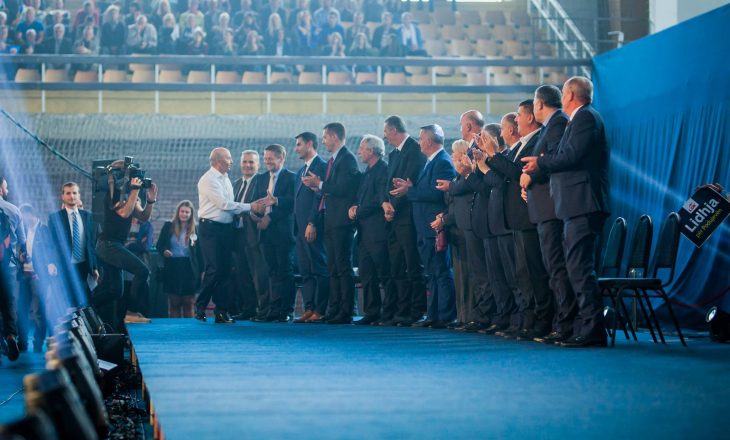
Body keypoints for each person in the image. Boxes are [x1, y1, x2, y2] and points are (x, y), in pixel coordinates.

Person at [522, 76, 611, 348]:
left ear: (571, 95)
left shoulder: (586, 118)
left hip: (583, 202)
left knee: (579, 267)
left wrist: (541, 162)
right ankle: (583, 326)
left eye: (563, 91)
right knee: (575, 266)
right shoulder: (577, 120)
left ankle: (592, 327)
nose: (560, 96)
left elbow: (571, 155)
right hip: (573, 204)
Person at [483, 100, 553, 341]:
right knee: (522, 273)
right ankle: (528, 318)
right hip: (516, 217)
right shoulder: (521, 146)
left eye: (519, 116)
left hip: (528, 215)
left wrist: (491, 156)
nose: (517, 121)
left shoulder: (535, 141)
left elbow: (514, 174)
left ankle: (540, 319)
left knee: (533, 271)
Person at [520, 84, 574, 344]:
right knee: (552, 268)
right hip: (542, 206)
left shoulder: (559, 123)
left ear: (539, 104)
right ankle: (560, 322)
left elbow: (548, 158)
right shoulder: (549, 127)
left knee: (557, 268)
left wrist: (529, 174)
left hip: (552, 206)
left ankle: (565, 324)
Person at [195, 147, 274, 323]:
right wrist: (250, 207)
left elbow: (231, 206)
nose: (232, 162)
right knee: (214, 269)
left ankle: (221, 312)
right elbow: (224, 204)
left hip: (226, 230)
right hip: (210, 229)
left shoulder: (226, 179)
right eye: (229, 159)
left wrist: (250, 211)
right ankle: (200, 306)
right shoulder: (208, 180)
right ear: (218, 161)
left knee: (225, 272)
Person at [391, 125, 457, 328]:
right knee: (433, 273)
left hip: (434, 226)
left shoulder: (443, 162)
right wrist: (411, 187)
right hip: (424, 226)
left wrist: (409, 192)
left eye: (420, 138)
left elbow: (436, 193)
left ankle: (445, 316)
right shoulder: (431, 162)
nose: (419, 142)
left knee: (441, 272)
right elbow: (425, 189)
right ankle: (434, 315)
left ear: (429, 141)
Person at [301, 123, 360, 324]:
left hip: (342, 222)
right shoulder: (335, 161)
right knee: (333, 267)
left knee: (343, 268)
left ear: (334, 136)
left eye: (325, 137)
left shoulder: (348, 159)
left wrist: (320, 184)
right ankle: (334, 310)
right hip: (331, 221)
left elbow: (345, 187)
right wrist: (320, 185)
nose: (323, 141)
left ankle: (346, 311)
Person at [92, 163, 157, 332]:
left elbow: (143, 217)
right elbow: (124, 213)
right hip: (107, 245)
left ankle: (85, 306)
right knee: (142, 271)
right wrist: (135, 190)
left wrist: (150, 200)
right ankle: (131, 312)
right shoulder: (113, 195)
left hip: (113, 245)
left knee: (115, 290)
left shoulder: (128, 195)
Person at [434, 139, 477, 330]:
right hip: (455, 232)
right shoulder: (457, 179)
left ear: (462, 156)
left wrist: (444, 219)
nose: (451, 157)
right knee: (460, 276)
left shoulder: (465, 179)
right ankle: (462, 316)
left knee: (468, 276)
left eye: (454, 153)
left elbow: (462, 205)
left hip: (464, 229)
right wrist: (443, 215)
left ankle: (471, 317)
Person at [251, 144, 297, 322]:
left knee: (285, 272)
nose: (267, 161)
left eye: (270, 158)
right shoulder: (261, 178)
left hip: (284, 234)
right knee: (271, 272)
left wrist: (271, 215)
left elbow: (293, 203)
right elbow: (256, 201)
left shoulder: (291, 178)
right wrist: (256, 215)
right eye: (266, 158)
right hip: (265, 234)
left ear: (281, 158)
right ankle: (273, 309)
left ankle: (287, 310)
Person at [349, 135, 391, 325]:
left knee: (384, 273)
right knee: (367, 274)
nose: (359, 151)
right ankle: (372, 312)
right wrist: (353, 207)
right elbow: (361, 198)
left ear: (372, 150)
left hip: (378, 231)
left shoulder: (383, 170)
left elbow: (377, 200)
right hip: (364, 232)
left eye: (362, 148)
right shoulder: (367, 172)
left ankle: (389, 312)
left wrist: (358, 211)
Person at [292, 132, 329, 323]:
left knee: (318, 268)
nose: (296, 149)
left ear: (309, 144)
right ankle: (309, 308)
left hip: (313, 227)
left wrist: (312, 222)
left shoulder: (322, 166)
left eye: (298, 145)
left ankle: (320, 309)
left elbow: (319, 197)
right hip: (299, 230)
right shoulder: (300, 172)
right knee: (305, 270)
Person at [47, 182, 99, 311]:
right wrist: (51, 263)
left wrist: (94, 267)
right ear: (63, 196)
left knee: (84, 305)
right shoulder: (55, 218)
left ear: (79, 195)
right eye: (68, 193)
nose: (72, 196)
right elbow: (50, 244)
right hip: (65, 267)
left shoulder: (87, 216)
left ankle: (82, 330)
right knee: (66, 305)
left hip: (83, 267)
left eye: (74, 193)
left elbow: (90, 245)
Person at [232, 150, 270, 320]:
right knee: (242, 273)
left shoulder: (262, 181)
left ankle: (263, 310)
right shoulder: (235, 184)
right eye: (245, 162)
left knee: (259, 273)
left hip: (255, 234)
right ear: (240, 164)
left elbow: (262, 206)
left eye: (251, 162)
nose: (248, 165)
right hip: (237, 235)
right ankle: (249, 308)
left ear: (258, 165)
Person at [156, 200, 203, 318]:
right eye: (182, 211)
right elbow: (159, 245)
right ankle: (173, 331)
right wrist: (164, 251)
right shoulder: (168, 226)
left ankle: (189, 332)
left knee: (189, 302)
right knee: (174, 302)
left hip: (190, 268)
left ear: (191, 214)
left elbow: (200, 253)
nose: (184, 214)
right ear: (178, 212)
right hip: (172, 267)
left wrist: (202, 271)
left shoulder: (196, 229)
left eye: (187, 212)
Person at [17, 204, 51, 352]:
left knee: (38, 312)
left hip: (39, 277)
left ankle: (38, 344)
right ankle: (22, 342)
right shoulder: (22, 230)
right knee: (21, 310)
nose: (22, 219)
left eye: (23, 216)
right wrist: (20, 256)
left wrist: (43, 272)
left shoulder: (44, 230)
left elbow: (50, 253)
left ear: (31, 214)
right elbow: (19, 250)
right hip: (23, 275)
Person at [0, 175, 26, 362]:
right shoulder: (14, 210)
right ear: (1, 188)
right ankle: (10, 336)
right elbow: (23, 242)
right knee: (9, 304)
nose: (7, 190)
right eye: (6, 187)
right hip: (8, 266)